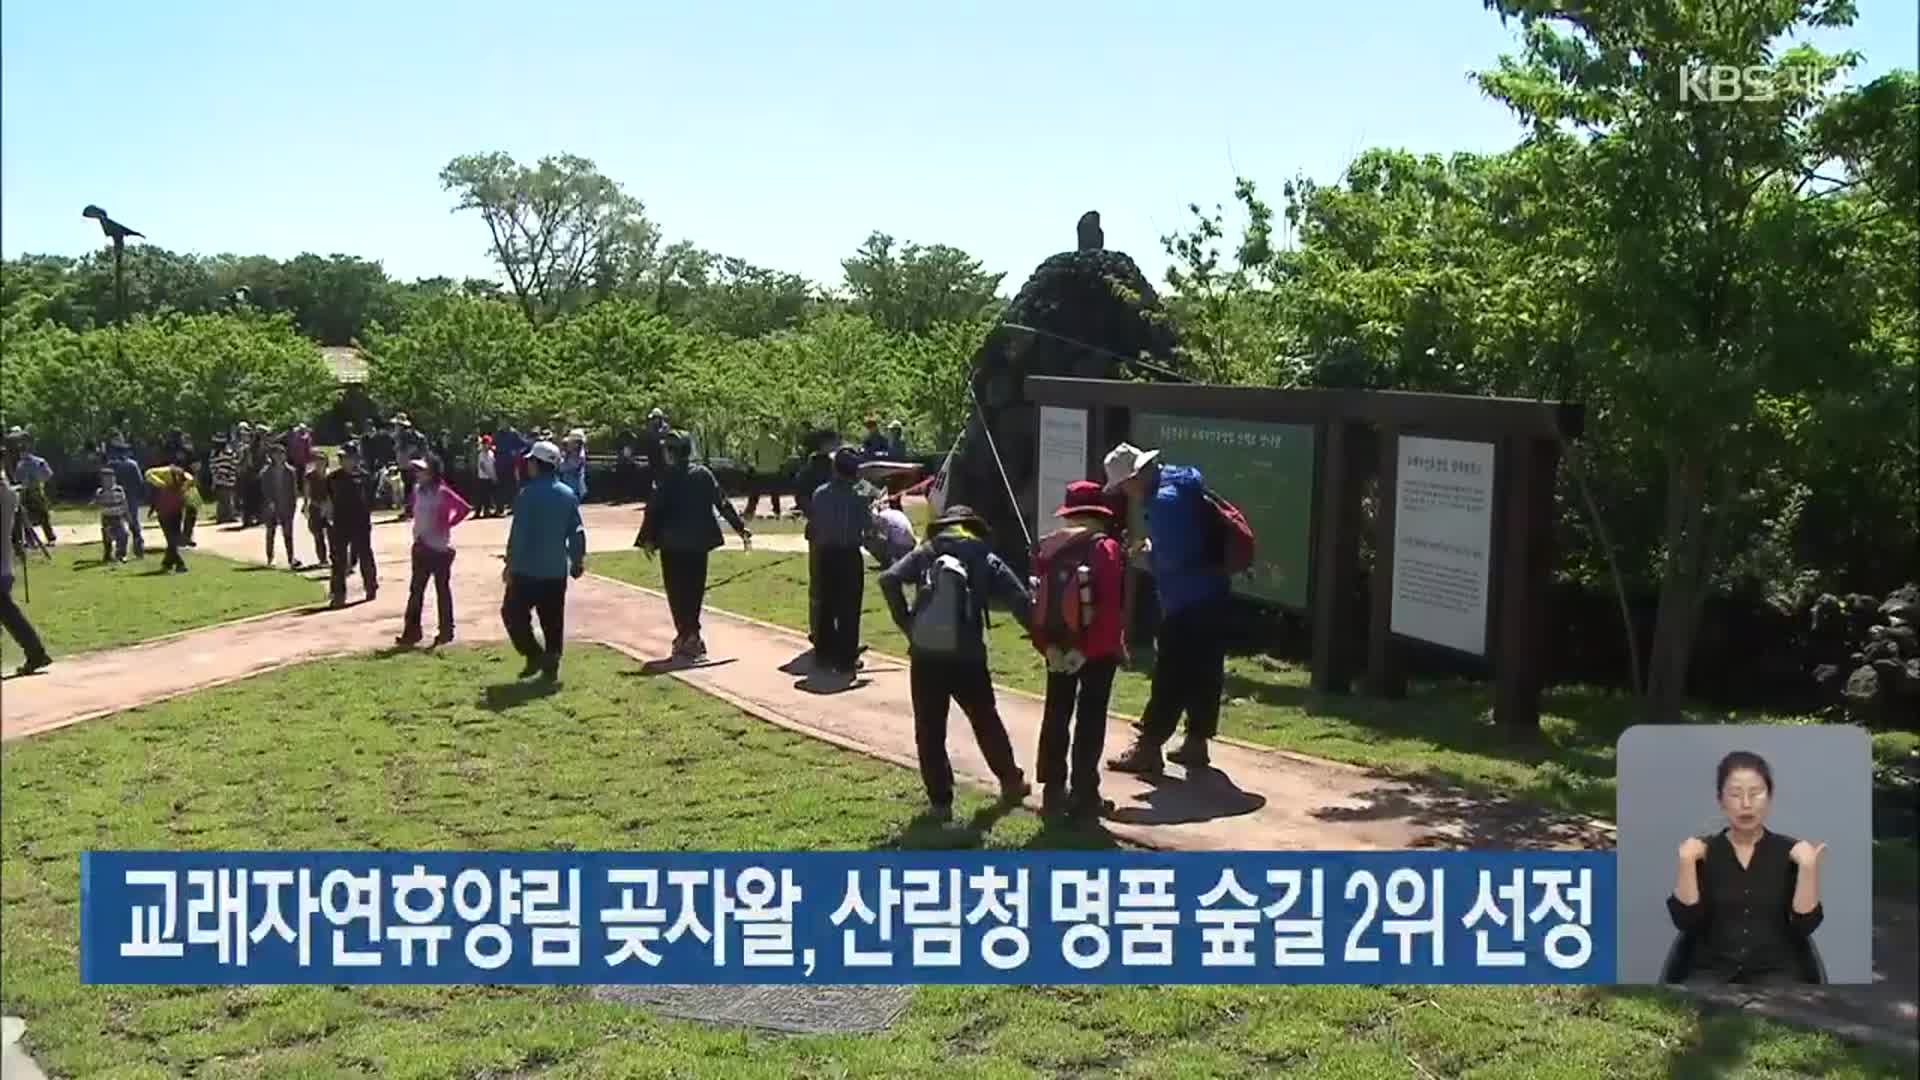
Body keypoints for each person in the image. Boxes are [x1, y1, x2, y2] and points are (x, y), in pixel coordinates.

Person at [877, 504, 1033, 821]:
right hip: (969, 656)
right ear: (972, 527)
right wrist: (1046, 638)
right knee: (985, 719)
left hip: (926, 655)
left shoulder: (927, 551)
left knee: (930, 729)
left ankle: (940, 802)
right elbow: (1018, 600)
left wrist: (909, 625)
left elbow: (889, 579)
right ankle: (1010, 782)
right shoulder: (984, 555)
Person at [1103, 442, 1231, 774]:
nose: (1123, 492)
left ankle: (1148, 747)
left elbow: (1173, 560)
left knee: (1170, 673)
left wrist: (1144, 554)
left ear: (1134, 477)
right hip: (1214, 592)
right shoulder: (1179, 480)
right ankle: (1196, 742)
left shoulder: (1163, 503)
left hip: (1185, 600)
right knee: (1206, 669)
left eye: (1122, 485)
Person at [1667, 750, 1827, 986]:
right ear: (1721, 801)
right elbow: (1686, 923)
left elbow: (1805, 926)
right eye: (1735, 794)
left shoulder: (1792, 852)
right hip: (1710, 974)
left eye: (1755, 793)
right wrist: (1686, 863)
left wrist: (1808, 868)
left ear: (1769, 797)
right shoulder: (1701, 851)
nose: (1746, 804)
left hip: (1778, 974)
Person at [1029, 480, 1127, 820]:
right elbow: (1111, 607)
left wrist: (1048, 647)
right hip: (1095, 650)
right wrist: (1089, 649)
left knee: (1056, 713)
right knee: (1090, 718)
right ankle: (1085, 794)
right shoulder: (1106, 548)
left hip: (1057, 644)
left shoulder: (1048, 547)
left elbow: (1039, 601)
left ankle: (1052, 791)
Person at [636, 431, 752, 660]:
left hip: (673, 544)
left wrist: (647, 539)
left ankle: (687, 635)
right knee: (694, 590)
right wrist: (740, 528)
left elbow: (654, 510)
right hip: (698, 543)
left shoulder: (666, 477)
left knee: (677, 592)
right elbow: (722, 502)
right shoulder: (703, 474)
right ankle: (691, 635)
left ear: (671, 452)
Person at [502, 440, 586, 681]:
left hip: (527, 569)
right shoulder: (568, 495)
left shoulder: (527, 495)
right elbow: (577, 531)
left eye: (530, 462)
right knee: (552, 619)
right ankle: (551, 662)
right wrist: (577, 560)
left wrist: (510, 564)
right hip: (555, 570)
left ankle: (533, 653)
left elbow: (518, 534)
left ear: (537, 465)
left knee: (513, 613)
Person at [806, 447, 873, 676]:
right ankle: (845, 657)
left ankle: (823, 653)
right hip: (848, 555)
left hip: (825, 554)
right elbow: (868, 528)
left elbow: (815, 523)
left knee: (826, 605)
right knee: (849, 608)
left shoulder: (820, 493)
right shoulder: (860, 497)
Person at [398, 453, 471, 647]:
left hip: (439, 549)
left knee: (442, 591)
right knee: (416, 592)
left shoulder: (442, 491)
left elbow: (464, 508)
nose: (418, 474)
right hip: (421, 547)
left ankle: (446, 631)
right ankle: (411, 632)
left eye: (422, 470)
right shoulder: (417, 491)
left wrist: (447, 523)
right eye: (417, 470)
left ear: (432, 472)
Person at [0, 475, 52, 676]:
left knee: (9, 613)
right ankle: (36, 653)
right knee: (8, 613)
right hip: (5, 562)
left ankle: (36, 653)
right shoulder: (9, 492)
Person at [326, 443, 377, 608]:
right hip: (340, 523)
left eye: (346, 457)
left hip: (361, 522)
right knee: (338, 559)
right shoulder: (333, 478)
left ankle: (370, 586)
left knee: (365, 555)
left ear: (355, 458)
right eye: (341, 458)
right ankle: (338, 594)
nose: (343, 461)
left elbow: (370, 499)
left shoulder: (364, 477)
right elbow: (328, 500)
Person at [143, 455, 196, 573]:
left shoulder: (186, 480)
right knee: (171, 539)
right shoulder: (165, 473)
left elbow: (192, 501)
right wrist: (161, 484)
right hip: (164, 512)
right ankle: (178, 564)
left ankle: (168, 564)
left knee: (172, 540)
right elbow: (148, 474)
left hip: (175, 512)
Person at [6, 432, 57, 546]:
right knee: (25, 517)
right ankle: (30, 540)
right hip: (25, 493)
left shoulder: (39, 462)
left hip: (36, 492)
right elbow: (17, 478)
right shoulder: (20, 464)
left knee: (43, 516)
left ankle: (50, 538)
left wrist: (37, 479)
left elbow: (48, 475)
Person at [260, 443, 302, 568]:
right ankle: (270, 558)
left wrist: (294, 507)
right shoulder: (266, 472)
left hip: (286, 506)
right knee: (270, 533)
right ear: (272, 456)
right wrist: (269, 502)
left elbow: (294, 491)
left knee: (288, 534)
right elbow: (264, 489)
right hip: (272, 506)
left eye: (281, 454)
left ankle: (291, 558)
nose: (279, 457)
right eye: (276, 454)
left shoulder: (291, 472)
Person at [105, 440, 148, 558]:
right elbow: (140, 482)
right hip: (131, 497)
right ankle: (138, 548)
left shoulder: (111, 465)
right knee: (134, 523)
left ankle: (114, 551)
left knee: (114, 524)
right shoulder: (132, 464)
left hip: (115, 499)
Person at [743, 424, 789, 520]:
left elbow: (751, 455)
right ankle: (777, 511)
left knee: (755, 493)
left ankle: (749, 512)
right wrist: (779, 464)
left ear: (761, 429)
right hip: (773, 470)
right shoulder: (775, 440)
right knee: (774, 493)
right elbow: (781, 454)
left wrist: (754, 465)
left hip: (760, 470)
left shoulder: (757, 440)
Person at [866, 494, 918, 569]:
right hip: (909, 547)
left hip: (900, 549)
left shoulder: (882, 516)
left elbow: (883, 538)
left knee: (868, 541)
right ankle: (894, 561)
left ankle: (889, 562)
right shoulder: (896, 512)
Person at [93, 465, 132, 564]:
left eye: (110, 478)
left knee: (124, 534)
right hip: (107, 518)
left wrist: (128, 517)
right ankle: (107, 555)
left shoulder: (119, 490)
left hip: (117, 517)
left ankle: (121, 555)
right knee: (108, 538)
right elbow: (97, 503)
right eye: (105, 479)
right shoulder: (100, 491)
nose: (108, 481)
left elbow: (125, 504)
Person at [303, 452, 331, 567]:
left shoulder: (331, 476)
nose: (320, 463)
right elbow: (306, 492)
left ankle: (335, 557)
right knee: (318, 535)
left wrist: (328, 505)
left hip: (329, 507)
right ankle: (322, 559)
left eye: (322, 460)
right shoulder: (309, 476)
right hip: (315, 506)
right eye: (317, 461)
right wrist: (306, 506)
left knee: (332, 535)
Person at [636, 409, 667, 503]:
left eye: (655, 418)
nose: (653, 421)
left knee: (663, 478)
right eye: (652, 419)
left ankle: (664, 497)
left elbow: (664, 442)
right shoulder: (651, 429)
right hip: (653, 458)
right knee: (654, 478)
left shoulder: (665, 428)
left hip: (663, 459)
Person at [210, 435, 238, 524]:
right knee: (224, 498)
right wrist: (219, 475)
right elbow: (213, 467)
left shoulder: (227, 453)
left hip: (227, 479)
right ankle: (224, 516)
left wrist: (227, 474)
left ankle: (227, 515)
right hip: (221, 479)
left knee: (227, 497)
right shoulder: (215, 454)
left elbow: (232, 465)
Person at [559, 429, 589, 502]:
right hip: (567, 485)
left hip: (574, 487)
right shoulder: (569, 453)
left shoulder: (579, 455)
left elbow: (563, 468)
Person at [471, 435, 498, 518]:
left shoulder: (491, 453)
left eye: (488, 443)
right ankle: (477, 512)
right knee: (481, 496)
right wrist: (490, 474)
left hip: (490, 477)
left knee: (488, 496)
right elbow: (482, 466)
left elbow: (493, 465)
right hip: (483, 477)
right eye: (485, 444)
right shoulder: (481, 454)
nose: (486, 445)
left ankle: (487, 511)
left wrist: (494, 476)